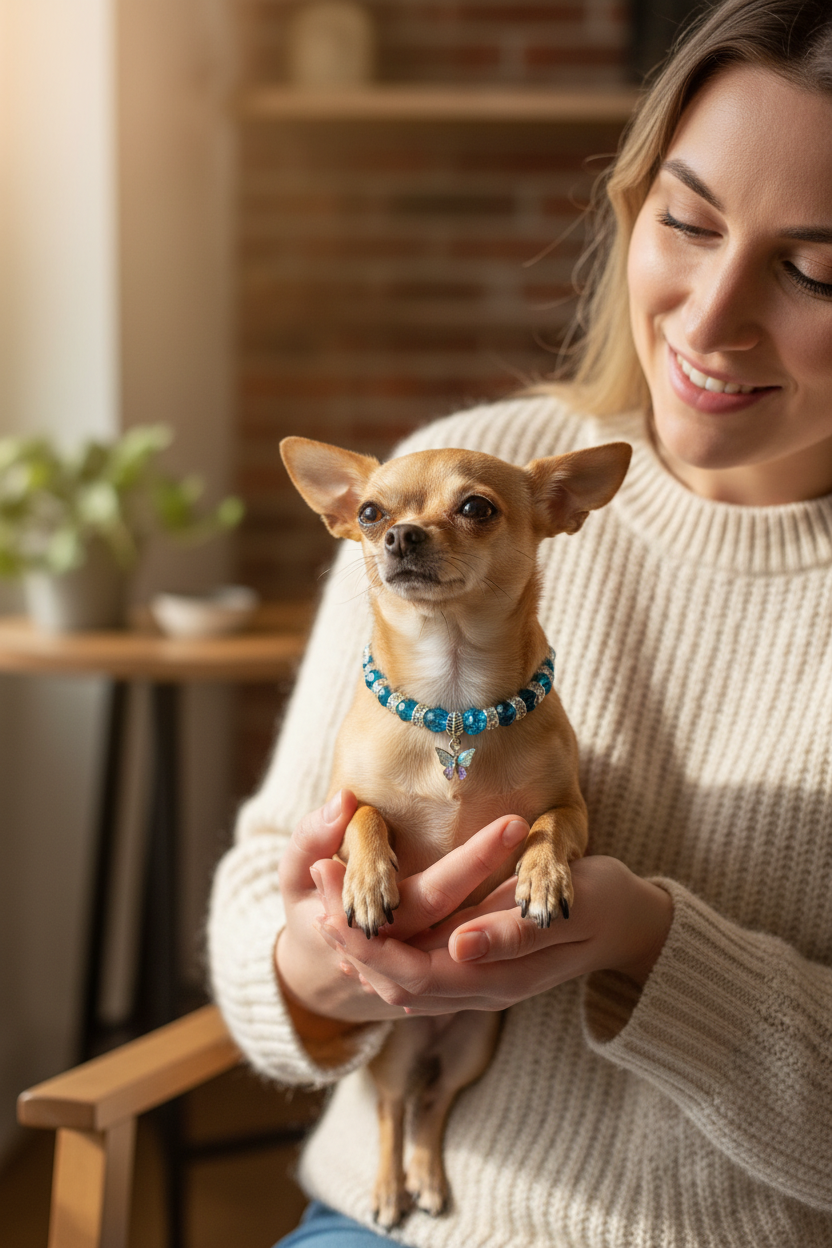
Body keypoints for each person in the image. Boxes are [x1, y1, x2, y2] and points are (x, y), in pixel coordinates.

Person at [208, 1, 832, 1243]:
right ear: (629, 208)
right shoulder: (445, 486)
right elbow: (252, 913)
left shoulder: (510, 507)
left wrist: (651, 946)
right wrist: (324, 966)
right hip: (389, 1221)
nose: (707, 321)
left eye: (817, 267)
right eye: (688, 221)